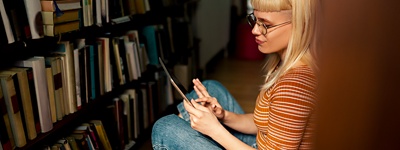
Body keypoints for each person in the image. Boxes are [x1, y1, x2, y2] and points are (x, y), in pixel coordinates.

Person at [151, 0, 318, 149]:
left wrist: (214, 130)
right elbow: (266, 123)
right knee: (211, 87)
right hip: (261, 143)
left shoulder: (294, 86)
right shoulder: (285, 65)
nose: (254, 30)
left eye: (265, 25)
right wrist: (223, 116)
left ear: (300, 25)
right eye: (255, 19)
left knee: (166, 128)